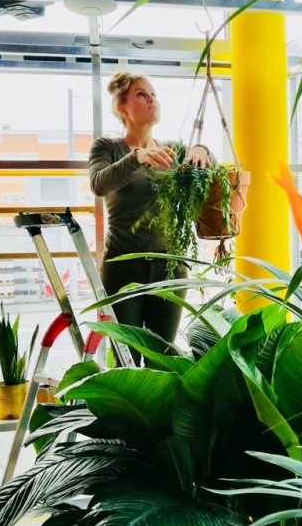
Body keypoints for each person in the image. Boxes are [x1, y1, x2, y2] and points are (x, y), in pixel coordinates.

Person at [88, 71, 213, 360]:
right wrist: (136, 157)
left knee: (163, 357)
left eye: (153, 94)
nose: (151, 99)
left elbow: (210, 173)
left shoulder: (173, 150)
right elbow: (98, 184)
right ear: (122, 107)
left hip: (170, 267)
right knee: (127, 359)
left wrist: (201, 148)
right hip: (124, 268)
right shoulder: (108, 148)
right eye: (141, 94)